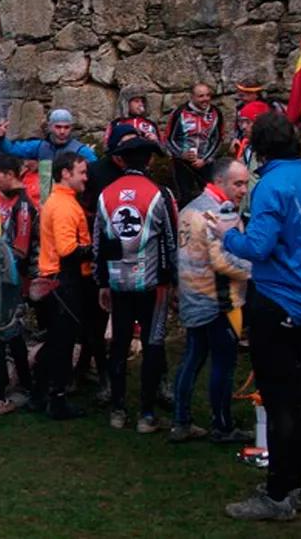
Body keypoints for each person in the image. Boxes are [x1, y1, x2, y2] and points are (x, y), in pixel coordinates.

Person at [217, 112, 301, 521]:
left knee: (281, 399)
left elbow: (258, 247)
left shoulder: (272, 186)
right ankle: (294, 484)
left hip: (281, 296)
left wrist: (226, 232)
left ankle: (278, 494)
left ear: (260, 147)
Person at [93, 134, 177, 433]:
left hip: (117, 284)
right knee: (153, 347)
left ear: (121, 160)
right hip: (152, 285)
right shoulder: (159, 194)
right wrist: (172, 279)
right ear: (149, 160)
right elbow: (170, 240)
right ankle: (146, 415)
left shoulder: (106, 194)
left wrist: (102, 280)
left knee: (118, 345)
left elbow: (98, 243)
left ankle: (117, 410)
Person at [170, 159, 253, 444]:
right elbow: (222, 261)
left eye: (245, 182)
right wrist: (254, 270)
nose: (244, 189)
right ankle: (222, 425)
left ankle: (181, 421)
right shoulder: (220, 213)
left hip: (192, 295)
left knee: (192, 358)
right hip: (219, 301)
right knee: (223, 364)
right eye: (238, 183)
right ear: (220, 182)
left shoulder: (188, 209)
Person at [35, 151, 94, 420]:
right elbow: (67, 249)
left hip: (56, 280)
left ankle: (39, 394)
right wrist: (95, 249)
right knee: (62, 342)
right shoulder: (63, 206)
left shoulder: (63, 201)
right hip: (62, 280)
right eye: (81, 172)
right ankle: (56, 400)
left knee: (57, 340)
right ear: (65, 173)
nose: (86, 177)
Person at [0, 154, 38, 415]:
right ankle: (8, 386)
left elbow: (21, 248)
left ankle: (12, 390)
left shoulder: (24, 206)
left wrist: (0, 265)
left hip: (11, 280)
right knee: (7, 334)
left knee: (5, 334)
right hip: (0, 277)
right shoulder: (3, 200)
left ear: (9, 174)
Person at [0, 108, 97, 203]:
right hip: (44, 202)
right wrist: (0, 138)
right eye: (58, 127)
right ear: (50, 127)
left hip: (70, 201)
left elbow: (96, 173)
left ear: (71, 128)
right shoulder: (40, 146)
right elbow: (13, 150)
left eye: (66, 127)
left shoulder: (81, 151)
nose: (62, 131)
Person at [164, 83, 224, 208]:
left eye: (208, 95)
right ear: (192, 97)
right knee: (184, 197)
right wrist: (181, 154)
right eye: (201, 96)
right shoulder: (179, 113)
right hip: (183, 163)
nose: (205, 99)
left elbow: (218, 139)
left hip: (205, 162)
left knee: (211, 196)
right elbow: (168, 139)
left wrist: (205, 159)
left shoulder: (215, 113)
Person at [233, 100, 270, 220]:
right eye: (241, 122)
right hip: (245, 212)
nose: (243, 127)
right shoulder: (246, 147)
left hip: (262, 213)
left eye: (248, 122)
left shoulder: (270, 152)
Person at [231, 81, 285, 149]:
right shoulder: (240, 109)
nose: (241, 96)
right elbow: (238, 129)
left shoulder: (272, 106)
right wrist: (236, 139)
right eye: (241, 92)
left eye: (247, 93)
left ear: (256, 94)